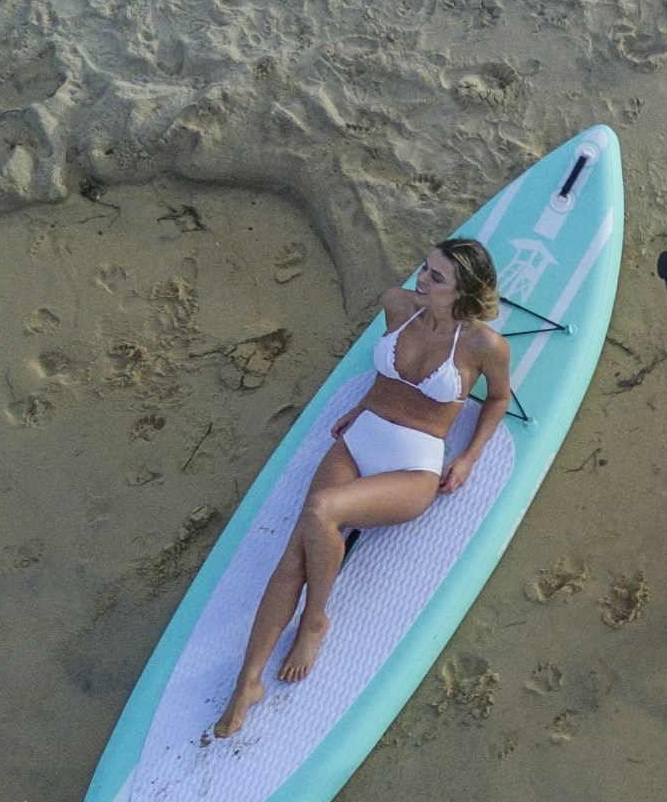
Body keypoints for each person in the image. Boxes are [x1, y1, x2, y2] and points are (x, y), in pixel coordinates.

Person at [210, 237, 511, 739]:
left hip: (414, 465)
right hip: (360, 439)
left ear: (463, 291)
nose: (421, 278)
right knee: (295, 551)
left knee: (320, 511)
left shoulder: (485, 345)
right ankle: (248, 682)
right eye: (425, 267)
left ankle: (315, 620)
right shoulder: (398, 304)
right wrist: (362, 406)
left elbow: (498, 398)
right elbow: (387, 372)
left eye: (436, 277)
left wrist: (468, 457)